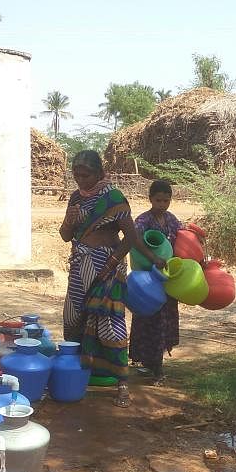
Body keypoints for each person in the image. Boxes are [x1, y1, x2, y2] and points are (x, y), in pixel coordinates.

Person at [59, 150, 165, 407]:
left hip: (108, 266)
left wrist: (117, 261)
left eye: (85, 175)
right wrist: (68, 220)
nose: (80, 180)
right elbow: (65, 235)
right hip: (80, 265)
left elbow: (130, 236)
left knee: (109, 323)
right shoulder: (75, 198)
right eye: (76, 174)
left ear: (99, 174)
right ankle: (81, 375)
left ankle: (121, 384)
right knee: (73, 318)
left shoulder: (114, 198)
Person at [129, 180, 181, 385]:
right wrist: (153, 258)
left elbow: (183, 238)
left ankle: (155, 363)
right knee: (149, 320)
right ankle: (153, 365)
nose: (162, 204)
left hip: (167, 280)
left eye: (166, 201)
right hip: (147, 281)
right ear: (150, 199)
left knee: (164, 319)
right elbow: (133, 238)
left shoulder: (172, 219)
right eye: (158, 200)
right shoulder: (143, 220)